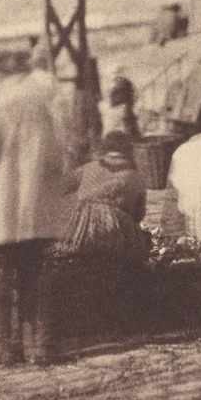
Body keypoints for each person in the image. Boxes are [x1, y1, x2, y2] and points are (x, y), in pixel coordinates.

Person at [0, 43, 70, 365]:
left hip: (3, 203)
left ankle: (2, 347)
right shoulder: (43, 101)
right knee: (36, 272)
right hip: (36, 205)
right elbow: (60, 154)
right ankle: (41, 345)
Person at [53, 130, 152, 336]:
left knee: (85, 265)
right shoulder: (136, 176)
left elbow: (59, 188)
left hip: (81, 228)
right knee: (127, 261)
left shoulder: (89, 168)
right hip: (116, 227)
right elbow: (139, 214)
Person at [103, 65, 140, 141]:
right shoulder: (122, 82)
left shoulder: (122, 83)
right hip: (123, 108)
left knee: (127, 125)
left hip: (123, 108)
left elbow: (119, 97)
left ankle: (132, 138)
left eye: (115, 73)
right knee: (128, 125)